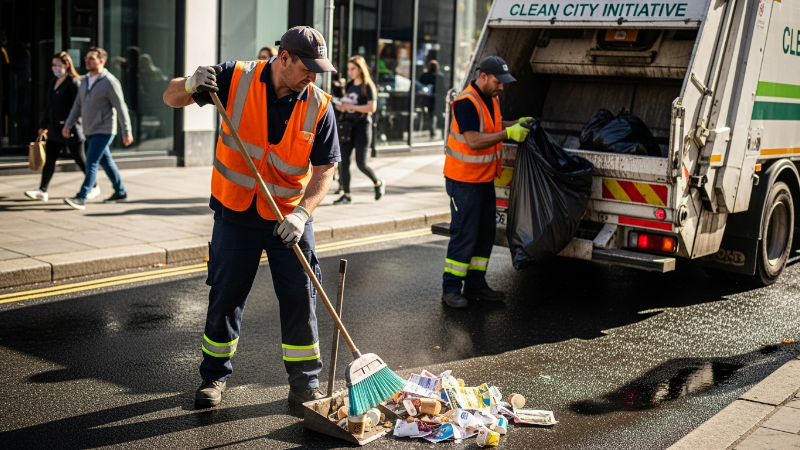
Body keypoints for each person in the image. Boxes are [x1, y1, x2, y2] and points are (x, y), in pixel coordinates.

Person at [162, 26, 340, 408]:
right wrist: (192, 83)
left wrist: (302, 214)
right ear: (284, 58)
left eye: (318, 68)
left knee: (300, 299)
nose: (313, 75)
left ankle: (305, 384)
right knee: (226, 297)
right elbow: (171, 96)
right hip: (235, 213)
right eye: (307, 67)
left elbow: (325, 169)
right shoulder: (235, 78)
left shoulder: (320, 105)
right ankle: (213, 377)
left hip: (288, 221)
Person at [441, 56, 531, 309]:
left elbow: (493, 125)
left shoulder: (491, 99)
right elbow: (473, 140)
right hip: (463, 181)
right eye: (497, 81)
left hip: (483, 180)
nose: (501, 86)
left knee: (484, 234)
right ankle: (450, 289)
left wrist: (517, 124)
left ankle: (475, 285)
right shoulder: (465, 102)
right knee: (464, 234)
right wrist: (508, 134)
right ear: (483, 77)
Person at [62, 47, 133, 210]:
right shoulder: (85, 80)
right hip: (89, 129)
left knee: (91, 162)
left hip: (104, 129)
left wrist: (126, 131)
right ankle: (120, 192)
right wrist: (68, 124)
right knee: (106, 162)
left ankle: (81, 197)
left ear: (102, 61)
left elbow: (121, 107)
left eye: (91, 58)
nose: (87, 61)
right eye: (86, 58)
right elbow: (77, 105)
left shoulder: (110, 82)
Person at [25, 51, 100, 202]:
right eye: (53, 65)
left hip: (71, 128)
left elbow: (77, 106)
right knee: (50, 158)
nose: (55, 68)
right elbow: (49, 106)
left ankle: (94, 186)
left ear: (66, 65)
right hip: (54, 128)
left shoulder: (73, 82)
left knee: (80, 159)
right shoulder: (53, 82)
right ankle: (42, 190)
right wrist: (43, 125)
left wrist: (68, 123)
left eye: (58, 65)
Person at [332, 55, 385, 205]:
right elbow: (347, 104)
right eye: (349, 69)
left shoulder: (367, 86)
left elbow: (372, 107)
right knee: (344, 162)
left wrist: (352, 107)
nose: (350, 72)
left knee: (361, 163)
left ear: (361, 69)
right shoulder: (349, 85)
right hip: (348, 127)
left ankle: (377, 183)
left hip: (362, 127)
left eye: (353, 69)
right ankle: (346, 195)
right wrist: (341, 105)